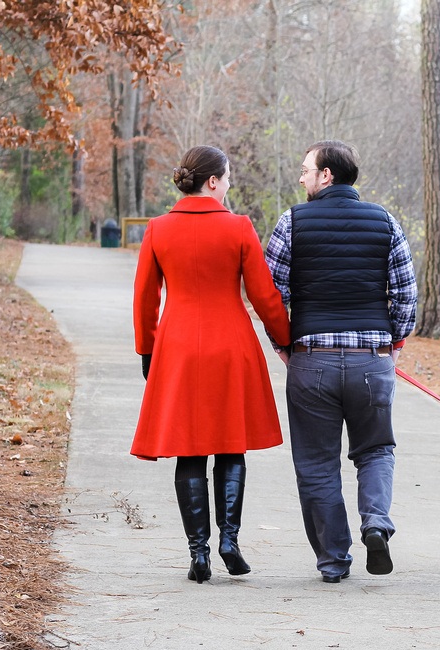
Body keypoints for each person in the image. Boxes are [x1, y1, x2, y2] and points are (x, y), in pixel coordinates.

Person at [131, 145, 291, 584]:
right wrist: (289, 339)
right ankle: (229, 542)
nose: (231, 184)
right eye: (229, 177)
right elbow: (264, 296)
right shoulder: (239, 227)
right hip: (231, 345)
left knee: (189, 448)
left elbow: (146, 296)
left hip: (179, 348)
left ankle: (198, 554)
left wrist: (147, 349)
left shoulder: (158, 229)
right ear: (214, 182)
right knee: (230, 445)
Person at [264, 140, 418, 583]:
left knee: (316, 463)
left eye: (306, 169)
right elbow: (405, 291)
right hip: (372, 360)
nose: (301, 177)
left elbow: (270, 291)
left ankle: (333, 561)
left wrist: (283, 342)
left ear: (326, 175)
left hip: (312, 361)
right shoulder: (386, 221)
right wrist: (395, 340)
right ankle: (375, 523)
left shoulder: (292, 220)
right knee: (376, 450)